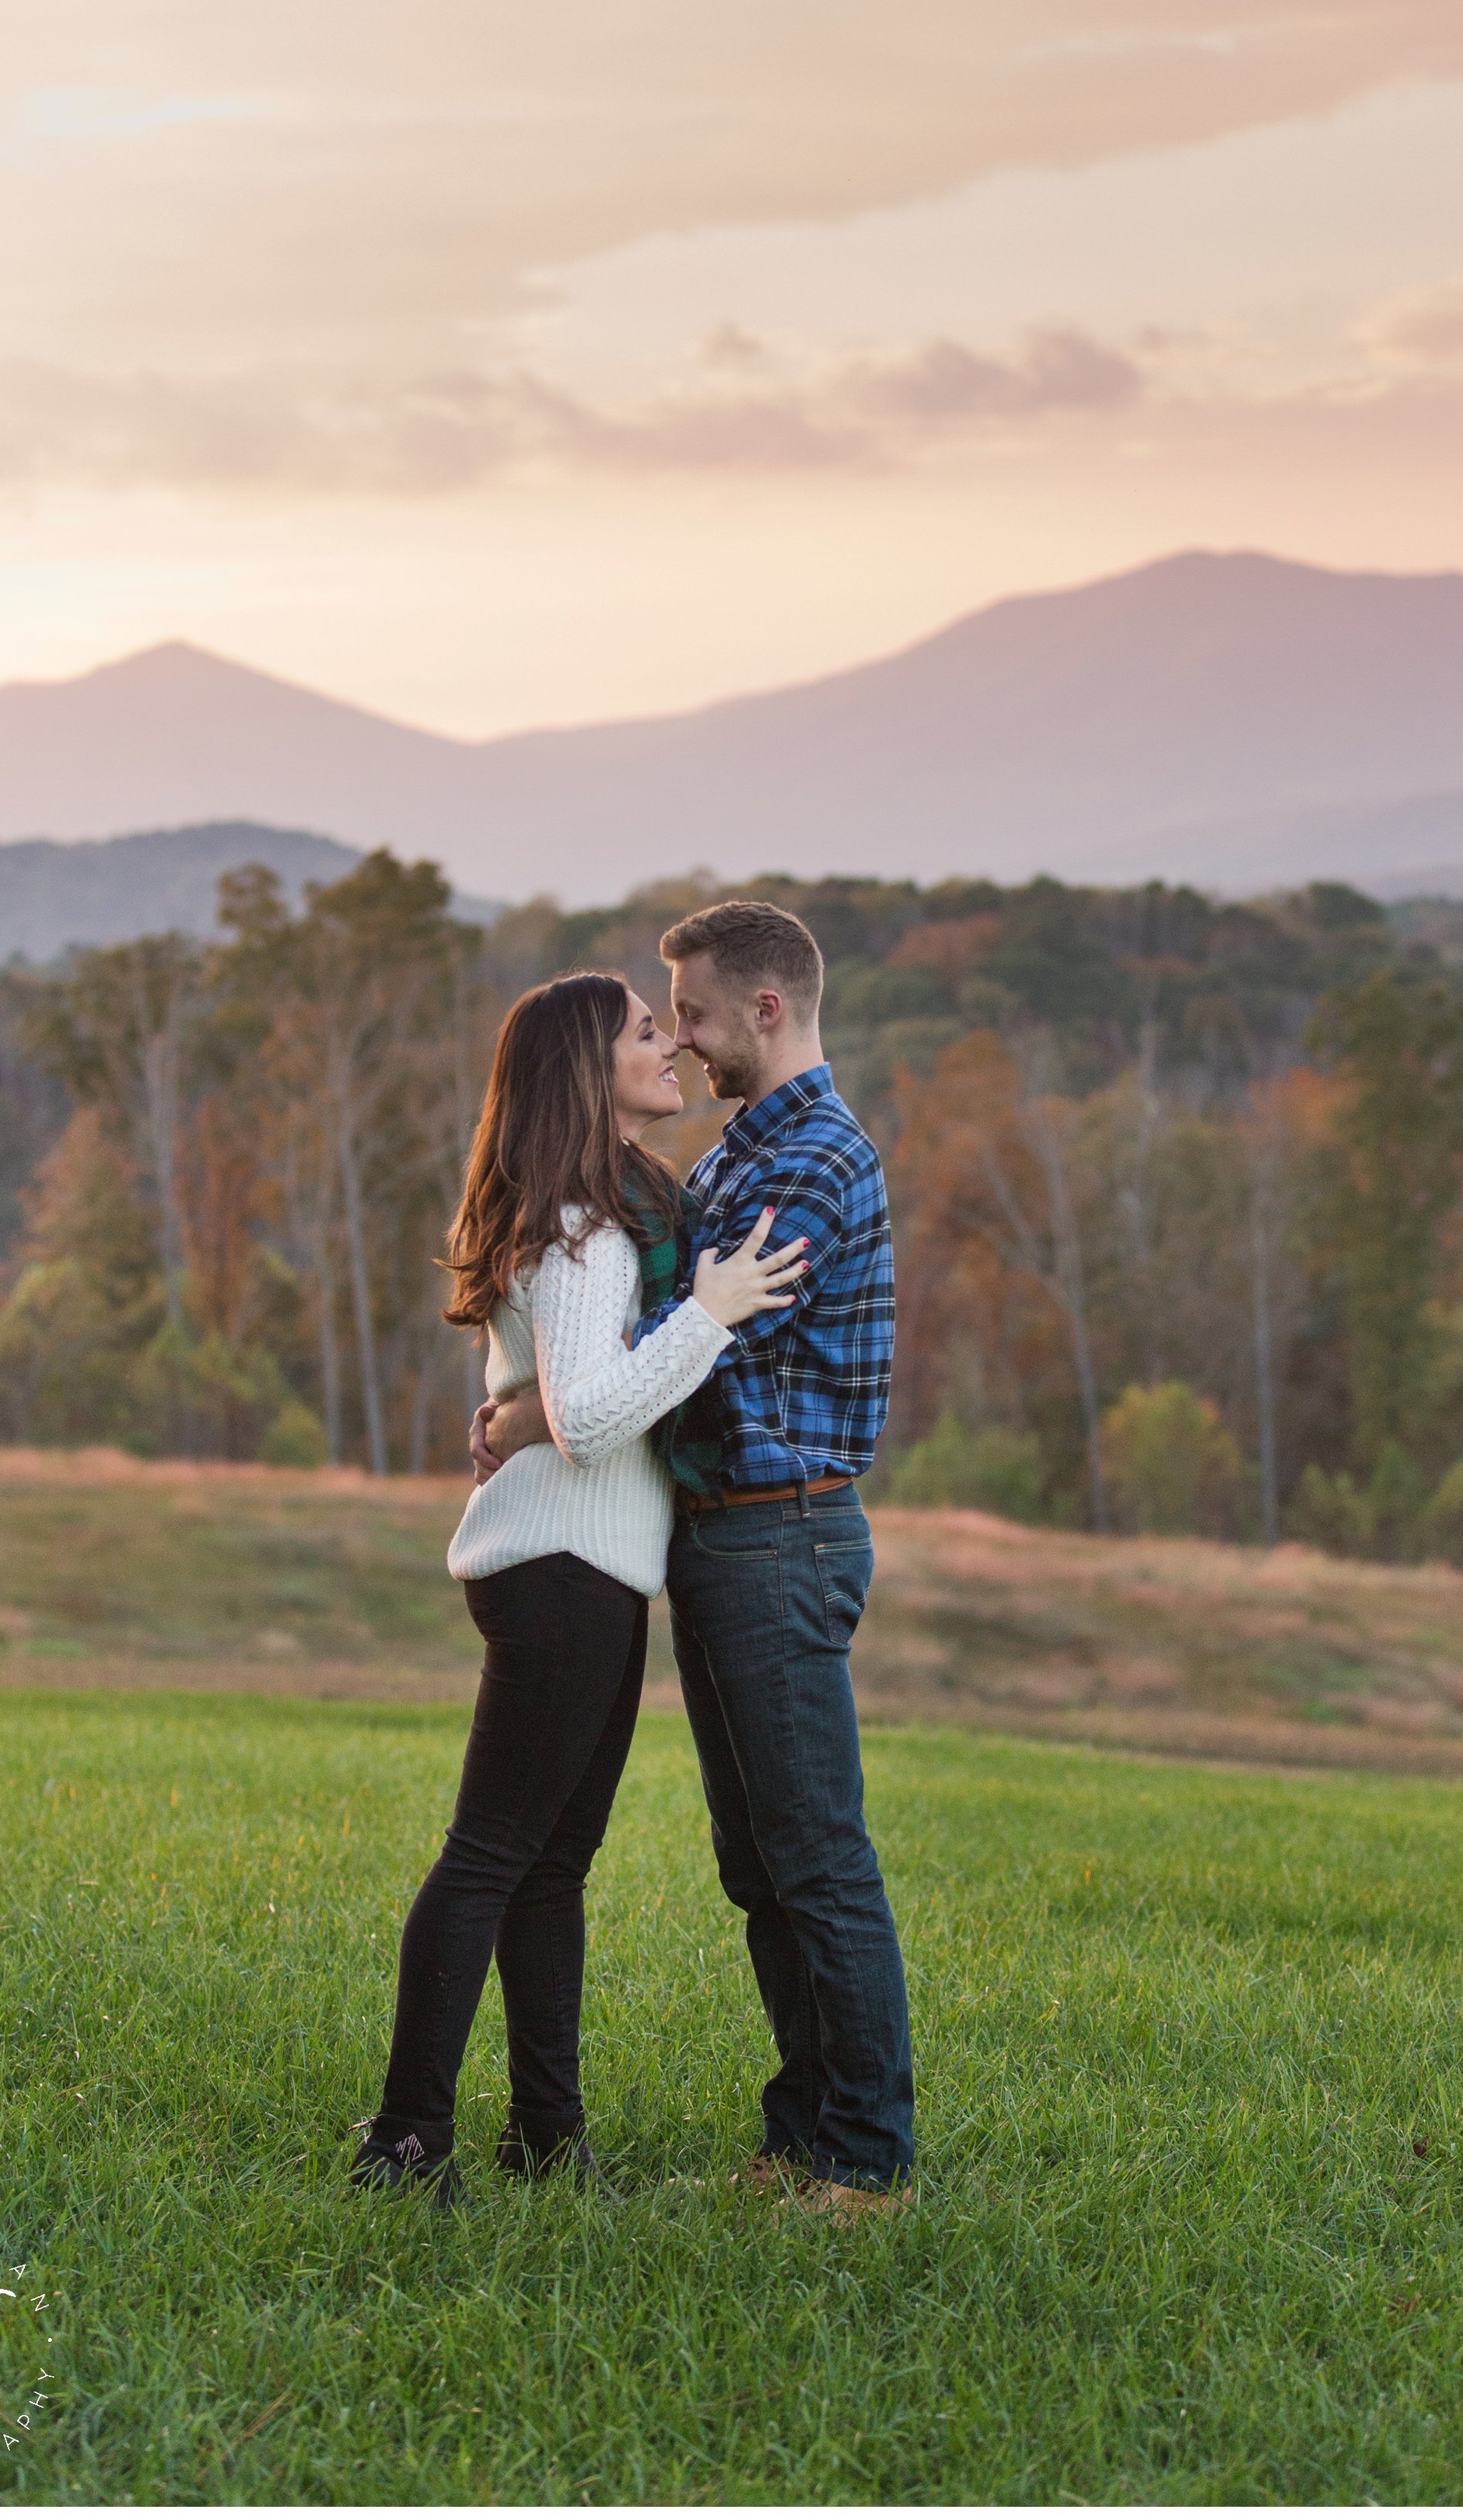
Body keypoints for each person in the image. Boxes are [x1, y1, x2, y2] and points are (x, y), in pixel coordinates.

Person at [475, 900, 914, 2215]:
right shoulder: (737, 1154)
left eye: (697, 1013)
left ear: (766, 1010)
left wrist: (536, 1400)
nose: (685, 1039)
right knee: (759, 1860)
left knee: (816, 1854)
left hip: (781, 1536)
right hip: (723, 1542)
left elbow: (672, 1343)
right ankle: (804, 2129)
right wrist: (546, 1384)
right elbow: (620, 1334)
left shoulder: (810, 1163)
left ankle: (866, 2155)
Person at [353, 968, 805, 2207]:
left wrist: (519, 1409)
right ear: (585, 1072)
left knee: (550, 1864)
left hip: (586, 1567)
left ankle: (547, 2137)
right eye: (645, 1033)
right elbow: (594, 1414)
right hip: (559, 1568)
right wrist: (712, 1312)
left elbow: (553, 1400)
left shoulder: (593, 1214)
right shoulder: (581, 1227)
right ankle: (403, 2143)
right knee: (492, 1854)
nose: (669, 1047)